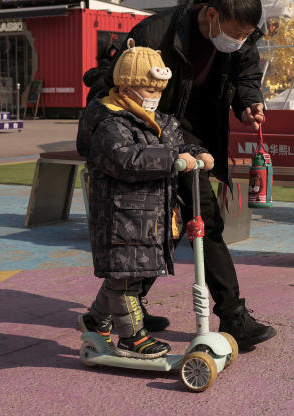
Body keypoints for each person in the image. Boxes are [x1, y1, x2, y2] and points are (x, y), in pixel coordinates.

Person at [83, 0, 276, 351]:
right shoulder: (157, 32)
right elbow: (114, 81)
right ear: (211, 14)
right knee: (197, 223)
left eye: (246, 34)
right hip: (157, 136)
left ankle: (115, 309)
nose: (238, 40)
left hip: (193, 139)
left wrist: (250, 99)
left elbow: (246, 73)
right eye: (234, 32)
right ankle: (233, 316)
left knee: (163, 228)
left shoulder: (241, 35)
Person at [76, 42, 212, 359]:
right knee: (125, 281)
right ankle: (132, 338)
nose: (153, 95)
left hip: (153, 218)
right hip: (120, 219)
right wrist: (172, 159)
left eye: (158, 89)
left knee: (132, 276)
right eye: (146, 88)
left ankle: (95, 320)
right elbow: (128, 159)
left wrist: (196, 154)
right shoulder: (109, 124)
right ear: (125, 86)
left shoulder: (160, 121)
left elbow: (177, 147)